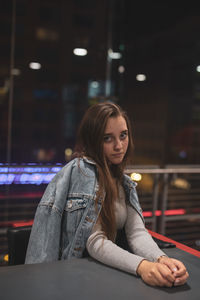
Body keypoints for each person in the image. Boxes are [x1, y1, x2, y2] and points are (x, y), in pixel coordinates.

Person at [25, 102, 189, 287]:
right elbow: (94, 241)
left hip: (102, 275)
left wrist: (161, 259)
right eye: (107, 138)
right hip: (72, 280)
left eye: (123, 135)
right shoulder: (82, 172)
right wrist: (142, 267)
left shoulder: (122, 180)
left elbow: (136, 233)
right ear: (93, 140)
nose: (119, 145)